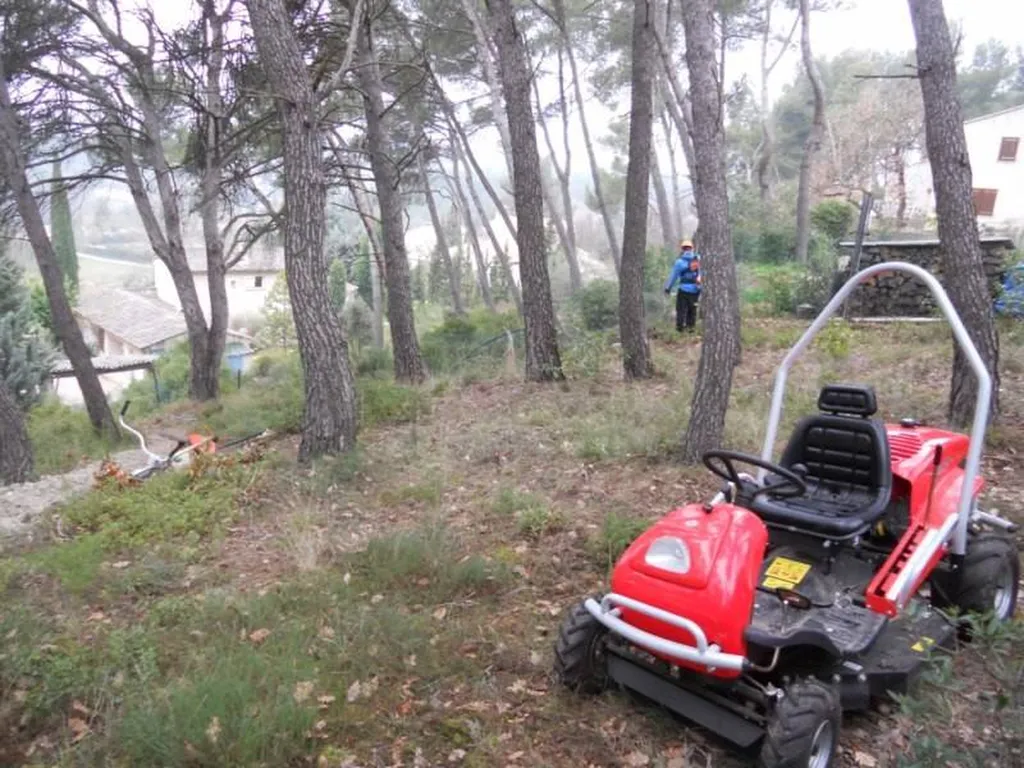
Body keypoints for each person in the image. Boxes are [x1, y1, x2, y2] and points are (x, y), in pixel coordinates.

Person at [664, 239, 702, 332]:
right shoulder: (698, 260)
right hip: (695, 290)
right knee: (692, 311)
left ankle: (680, 329)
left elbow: (673, 276)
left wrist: (668, 288)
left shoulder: (679, 262)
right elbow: (701, 274)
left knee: (681, 310)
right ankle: (691, 329)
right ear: (692, 248)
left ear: (682, 249)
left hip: (683, 290)